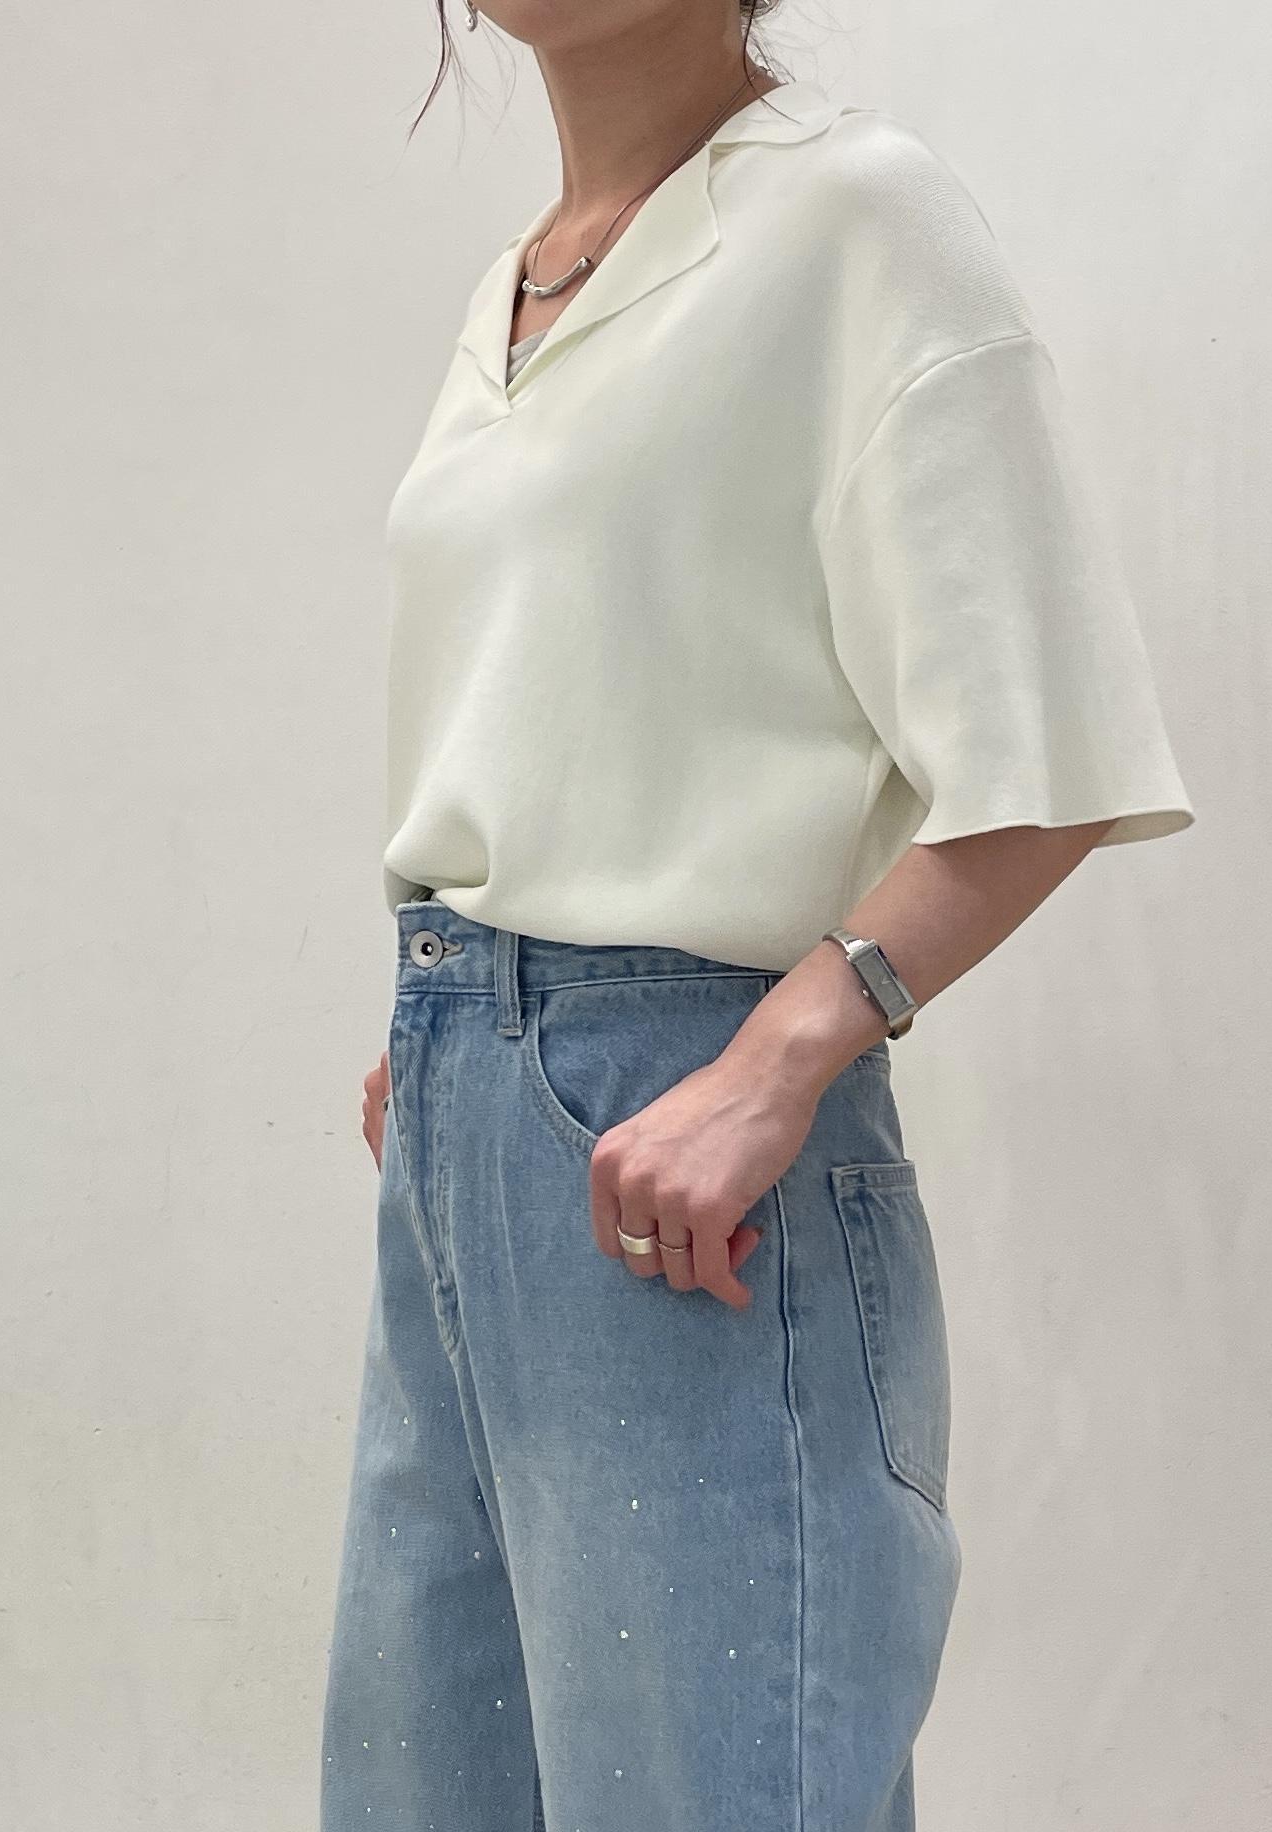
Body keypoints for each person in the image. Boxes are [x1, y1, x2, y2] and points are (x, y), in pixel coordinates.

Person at [320, 5, 1196, 1829]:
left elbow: (1042, 750)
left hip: (685, 1138)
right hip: (469, 1127)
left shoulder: (854, 214)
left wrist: (785, 1050)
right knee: (428, 1796)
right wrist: (461, 1024)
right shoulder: (514, 287)